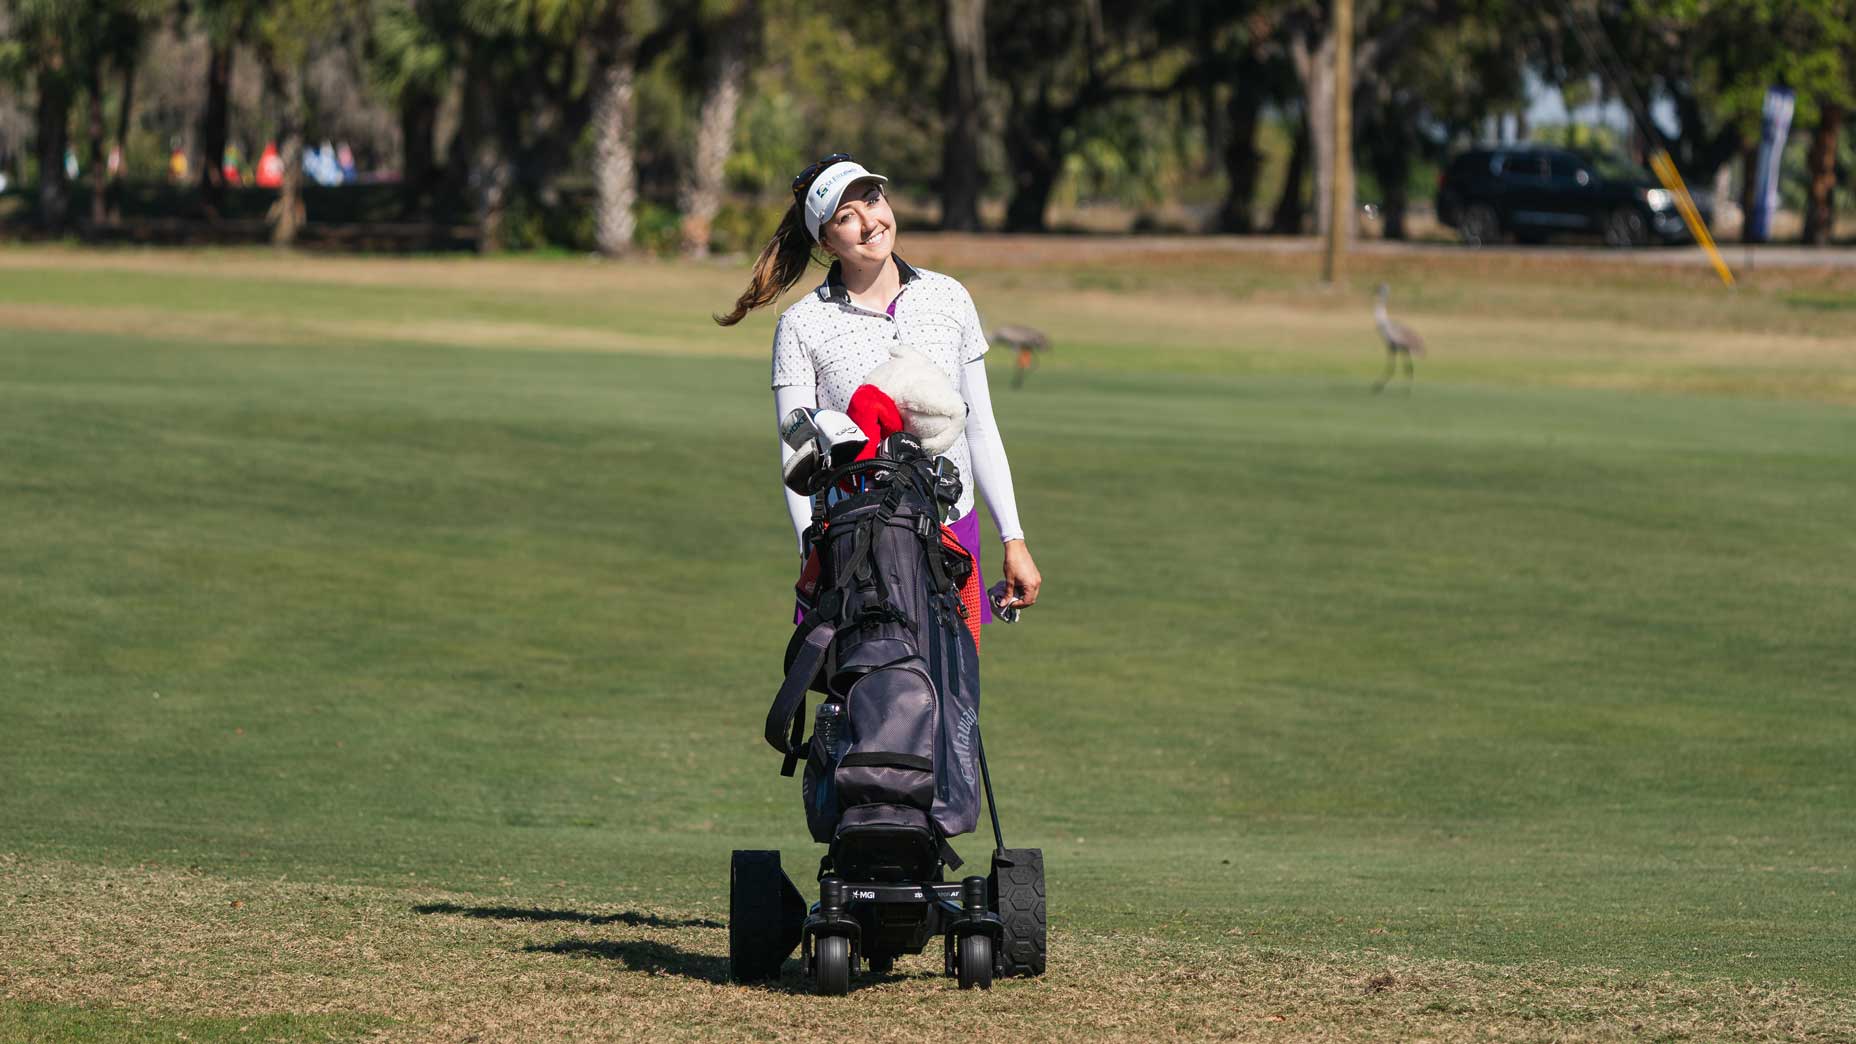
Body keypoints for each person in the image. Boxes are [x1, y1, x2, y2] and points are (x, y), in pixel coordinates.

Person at [716, 153, 1042, 625]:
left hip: (953, 533)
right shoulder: (802, 325)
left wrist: (1013, 539)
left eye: (872, 199)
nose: (869, 222)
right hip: (856, 548)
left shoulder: (948, 296)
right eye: (847, 217)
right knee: (870, 695)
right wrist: (813, 552)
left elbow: (980, 430)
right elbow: (799, 458)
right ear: (825, 240)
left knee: (952, 694)